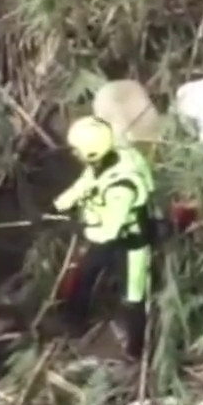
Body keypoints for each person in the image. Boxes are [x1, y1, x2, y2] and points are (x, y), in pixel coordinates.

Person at [50, 116, 158, 361]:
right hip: (105, 234)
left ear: (90, 153)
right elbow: (86, 183)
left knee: (133, 296)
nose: (74, 153)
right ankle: (74, 320)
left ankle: (135, 349)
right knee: (85, 274)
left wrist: (79, 228)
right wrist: (61, 204)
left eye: (76, 150)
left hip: (130, 243)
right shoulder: (105, 160)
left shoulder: (122, 187)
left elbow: (109, 231)